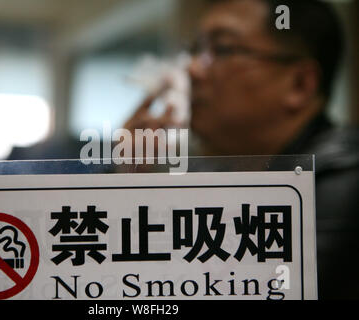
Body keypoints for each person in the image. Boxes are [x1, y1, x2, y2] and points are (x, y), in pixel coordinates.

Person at [124, 0, 359, 299]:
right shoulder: (213, 170)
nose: (192, 69)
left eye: (221, 50)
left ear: (300, 84)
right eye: (195, 49)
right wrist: (128, 181)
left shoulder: (342, 177)